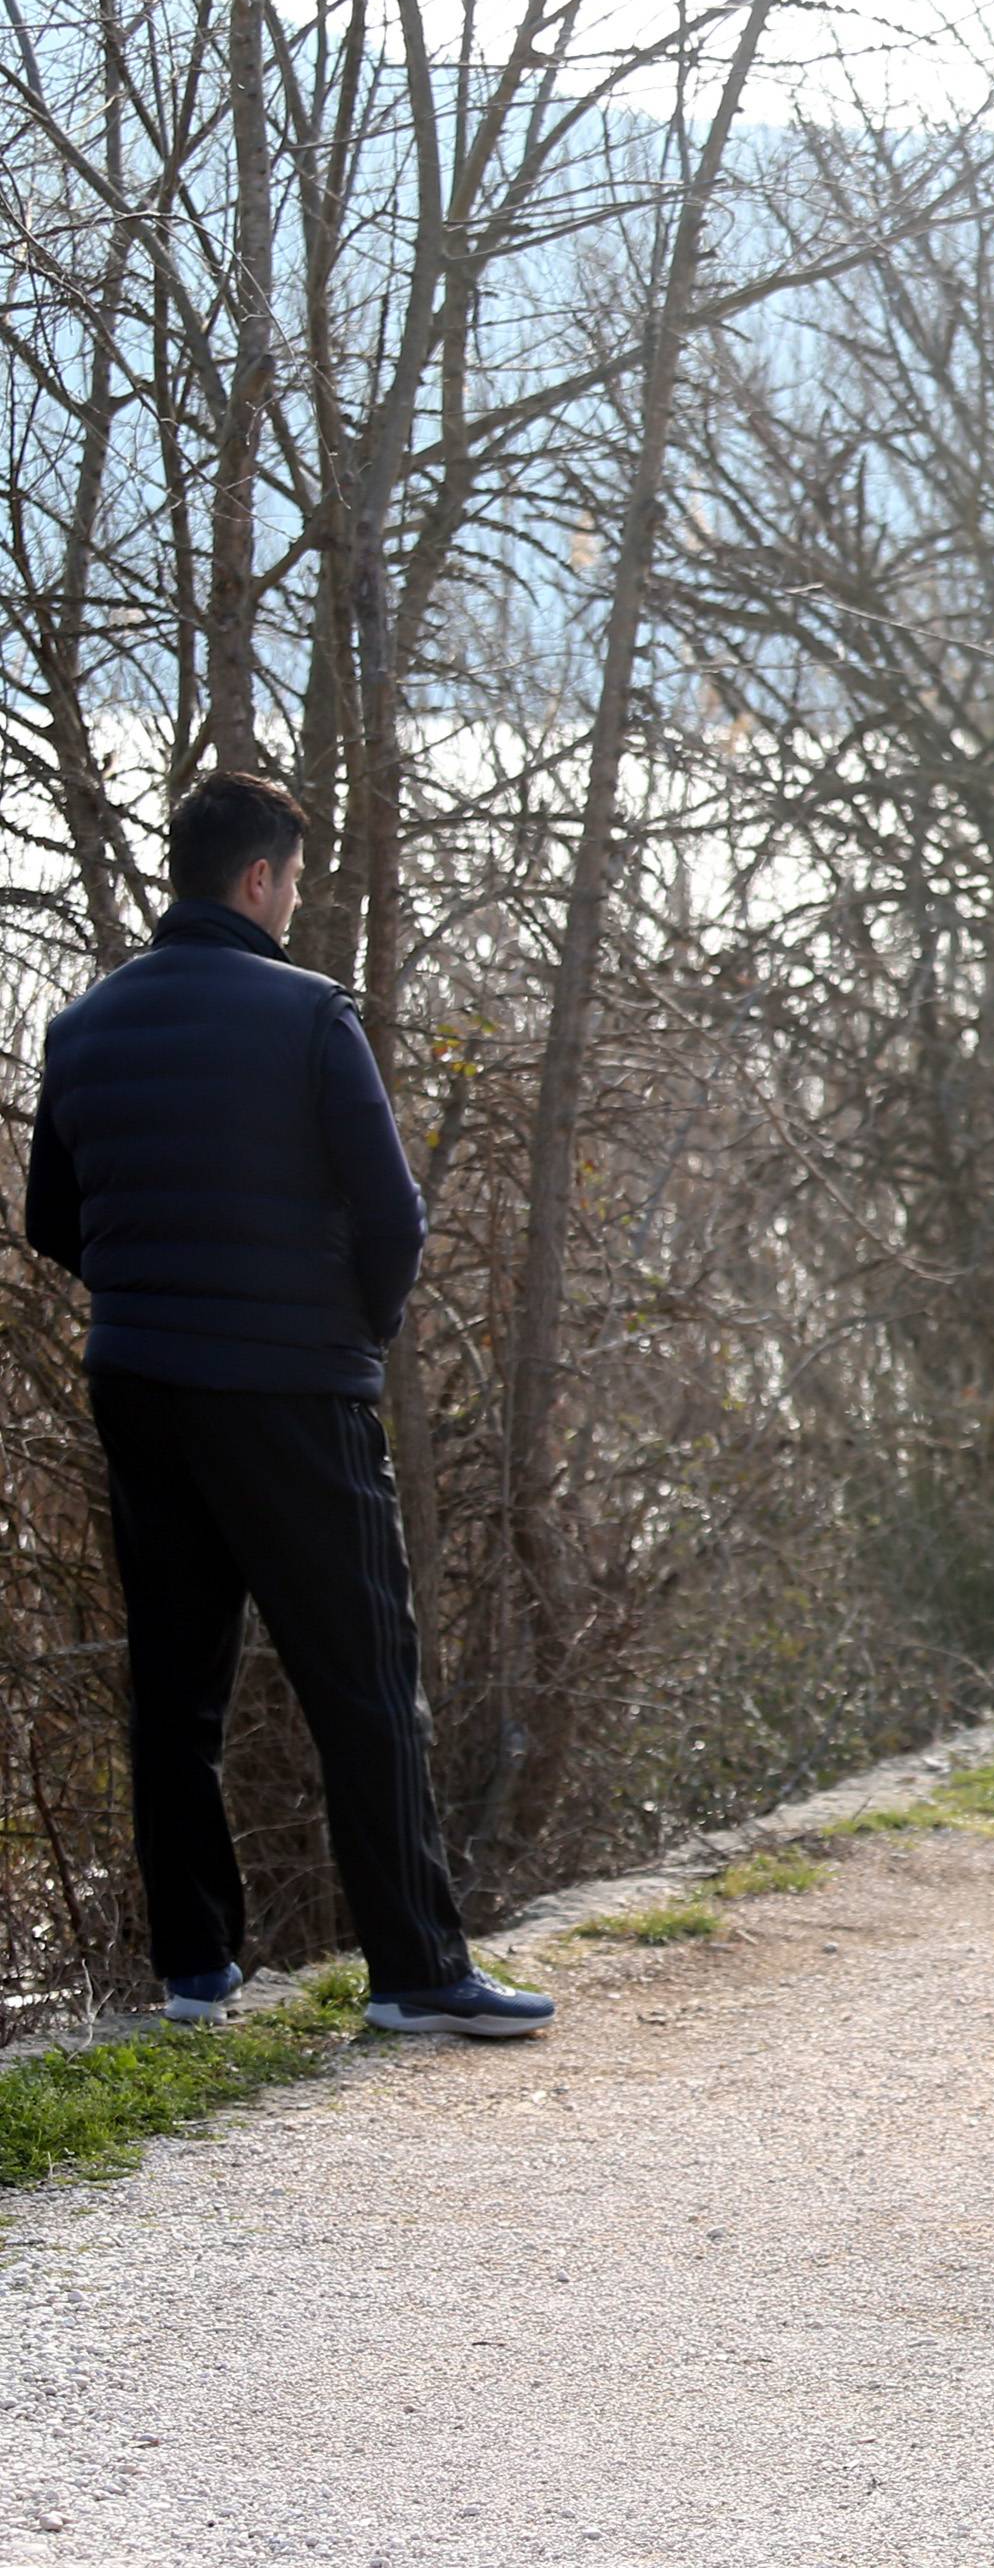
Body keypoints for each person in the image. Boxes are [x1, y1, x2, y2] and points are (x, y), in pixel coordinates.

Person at [25, 770, 554, 2039]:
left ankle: (194, 1980)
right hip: (292, 1393)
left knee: (175, 1682)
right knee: (364, 1677)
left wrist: (157, 1300)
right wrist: (343, 1337)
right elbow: (392, 1219)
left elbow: (52, 1219)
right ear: (260, 880)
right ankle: (417, 1970)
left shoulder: (83, 1027)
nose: (298, 901)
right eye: (297, 880)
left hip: (140, 1386)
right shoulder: (312, 1015)